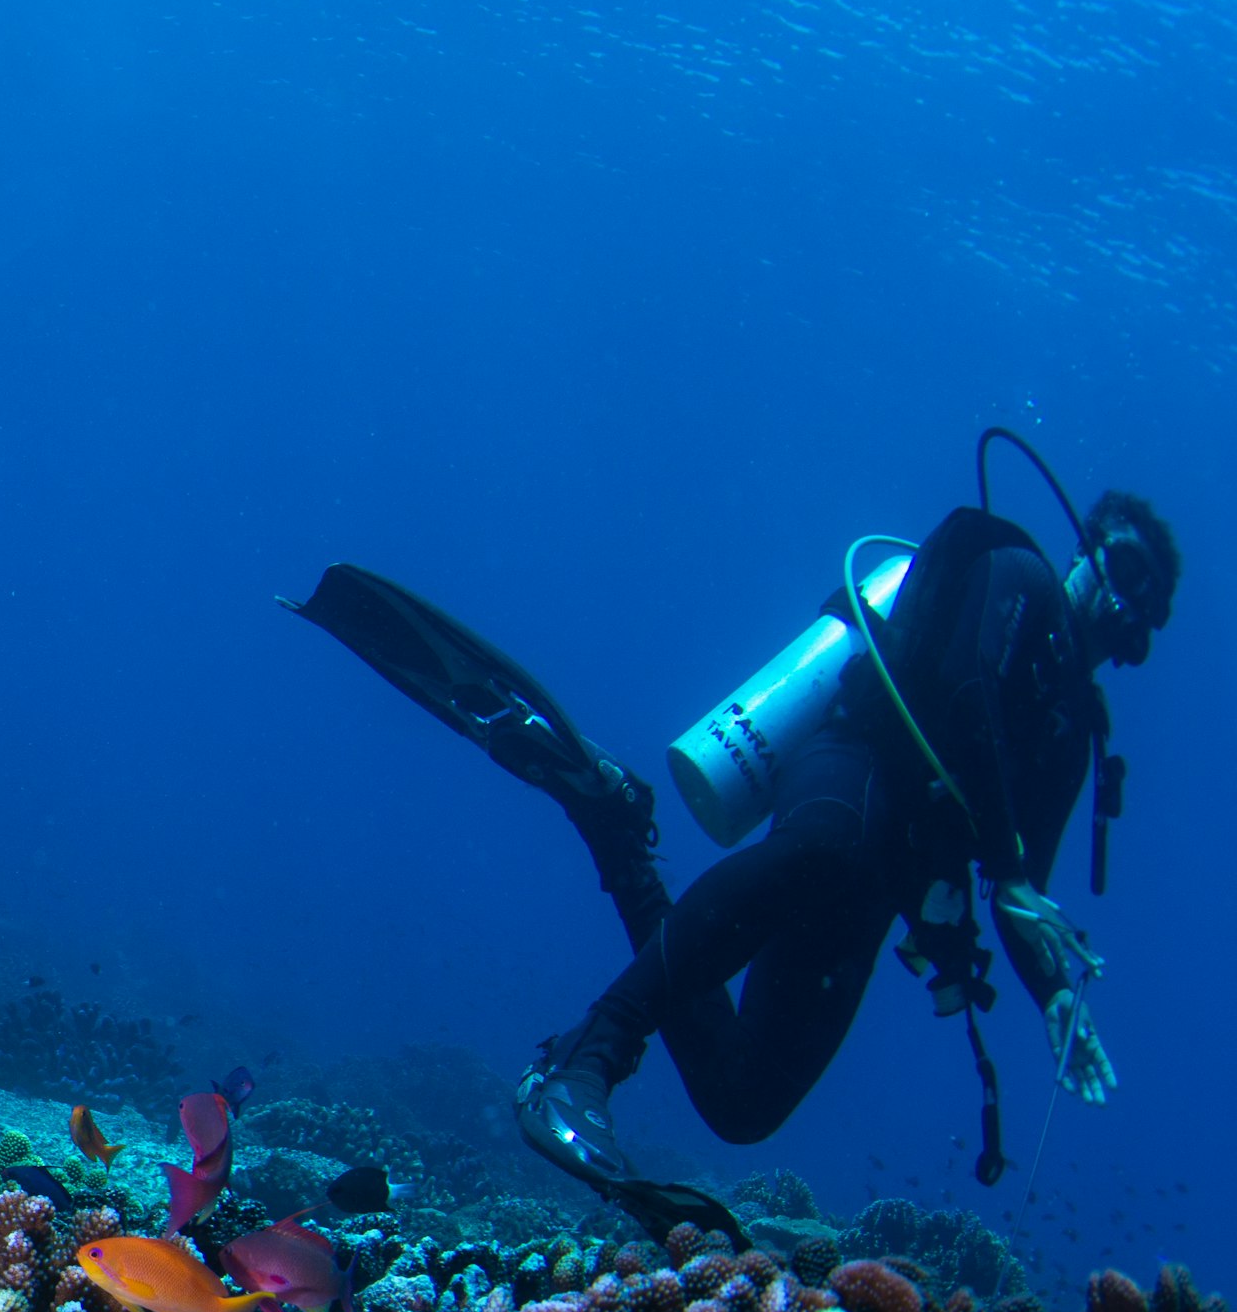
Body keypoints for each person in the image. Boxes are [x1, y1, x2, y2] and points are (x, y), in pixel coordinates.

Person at [295, 479, 1180, 1231]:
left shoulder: (1072, 741)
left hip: (886, 876)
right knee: (829, 846)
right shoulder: (1016, 572)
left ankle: (612, 826)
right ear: (1088, 547)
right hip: (855, 763)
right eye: (1123, 563)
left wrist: (1055, 990)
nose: (1123, 595)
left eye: (1147, 596)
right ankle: (585, 1057)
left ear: (1146, 638)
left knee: (746, 1100)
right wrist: (1014, 872)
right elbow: (969, 686)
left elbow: (1021, 892)